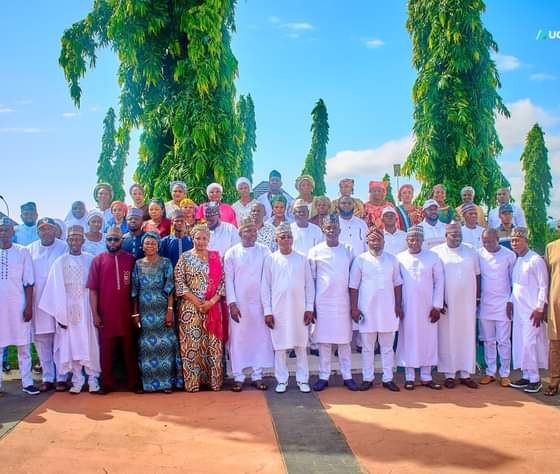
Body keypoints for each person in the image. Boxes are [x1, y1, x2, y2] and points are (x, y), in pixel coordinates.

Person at [39, 225, 100, 394]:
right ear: (67, 240)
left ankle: (93, 379)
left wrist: (96, 311)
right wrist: (60, 315)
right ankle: (77, 380)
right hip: (66, 308)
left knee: (90, 342)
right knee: (71, 344)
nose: (74, 241)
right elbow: (53, 289)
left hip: (87, 307)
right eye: (72, 238)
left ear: (83, 241)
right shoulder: (60, 262)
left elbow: (96, 287)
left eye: (78, 238)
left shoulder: (91, 260)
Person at [261, 223, 315, 394]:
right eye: (282, 237)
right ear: (277, 239)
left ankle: (302, 379)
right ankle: (282, 380)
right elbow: (265, 287)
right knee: (280, 347)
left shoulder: (301, 258)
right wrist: (268, 311)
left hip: (299, 308)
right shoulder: (270, 259)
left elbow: (309, 284)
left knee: (301, 346)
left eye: (289, 236)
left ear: (293, 239)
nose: (286, 240)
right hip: (279, 309)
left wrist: (309, 307)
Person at [308, 214, 358, 392]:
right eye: (328, 228)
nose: (331, 231)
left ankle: (347, 376)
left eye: (334, 228)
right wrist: (311, 305)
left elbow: (354, 278)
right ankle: (324, 376)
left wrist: (354, 305)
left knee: (344, 342)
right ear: (323, 229)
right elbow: (311, 280)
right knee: (324, 342)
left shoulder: (348, 249)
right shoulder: (315, 251)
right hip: (323, 302)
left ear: (339, 230)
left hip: (343, 302)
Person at [350, 227, 403, 392]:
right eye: (372, 240)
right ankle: (368, 378)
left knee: (387, 347)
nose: (375, 243)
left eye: (378, 240)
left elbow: (397, 284)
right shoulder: (360, 260)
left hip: (388, 310)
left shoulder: (392, 260)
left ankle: (388, 378)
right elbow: (353, 286)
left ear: (384, 242)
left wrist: (398, 305)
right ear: (367, 242)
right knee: (367, 348)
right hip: (367, 310)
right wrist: (354, 308)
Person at [174, 224, 227, 392]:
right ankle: (193, 383)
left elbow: (223, 282)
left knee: (213, 344)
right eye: (198, 238)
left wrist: (211, 302)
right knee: (192, 344)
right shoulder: (184, 258)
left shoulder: (216, 258)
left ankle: (214, 382)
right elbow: (179, 282)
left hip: (213, 307)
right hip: (190, 308)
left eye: (204, 238)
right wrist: (197, 302)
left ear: (209, 240)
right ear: (192, 238)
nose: (201, 241)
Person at [86, 226, 139, 394]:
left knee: (129, 349)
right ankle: (107, 383)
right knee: (106, 351)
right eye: (109, 239)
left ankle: (133, 383)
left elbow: (136, 289)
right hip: (106, 314)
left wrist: (135, 313)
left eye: (116, 239)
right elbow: (93, 290)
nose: (112, 242)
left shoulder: (131, 260)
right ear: (106, 240)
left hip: (126, 313)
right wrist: (95, 314)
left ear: (121, 240)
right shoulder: (98, 260)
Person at [224, 218, 273, 392]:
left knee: (259, 338)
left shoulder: (265, 251)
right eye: (247, 230)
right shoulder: (232, 253)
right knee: (238, 339)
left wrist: (268, 307)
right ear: (240, 233)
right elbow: (228, 280)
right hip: (239, 305)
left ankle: (257, 376)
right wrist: (232, 303)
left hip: (260, 303)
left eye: (253, 230)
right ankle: (238, 376)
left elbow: (268, 278)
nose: (251, 234)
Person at [131, 232, 182, 393]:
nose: (150, 246)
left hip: (163, 310)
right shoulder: (138, 264)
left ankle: (167, 383)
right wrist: (135, 314)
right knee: (147, 347)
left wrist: (170, 310)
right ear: (142, 246)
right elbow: (134, 290)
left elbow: (170, 287)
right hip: (145, 312)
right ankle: (149, 384)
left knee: (166, 345)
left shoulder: (166, 263)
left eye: (153, 243)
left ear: (158, 246)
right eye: (147, 243)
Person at [432, 223, 480, 389]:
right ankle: (449, 374)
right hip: (447, 303)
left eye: (459, 233)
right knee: (448, 337)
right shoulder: (437, 252)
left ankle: (466, 374)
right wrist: (439, 300)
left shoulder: (471, 250)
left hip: (468, 302)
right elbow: (434, 279)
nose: (457, 236)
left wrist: (477, 298)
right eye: (453, 234)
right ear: (446, 236)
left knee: (467, 335)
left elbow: (477, 275)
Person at [396, 225, 444, 390]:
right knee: (408, 340)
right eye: (411, 239)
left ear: (423, 240)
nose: (414, 242)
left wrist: (437, 306)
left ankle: (426, 376)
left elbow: (440, 281)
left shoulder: (433, 257)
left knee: (428, 340)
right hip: (407, 307)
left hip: (428, 308)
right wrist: (398, 305)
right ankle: (409, 377)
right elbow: (396, 283)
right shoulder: (399, 258)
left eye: (417, 239)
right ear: (407, 240)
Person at [28, 217, 69, 392]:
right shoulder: (30, 249)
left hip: (59, 300)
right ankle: (47, 377)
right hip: (38, 302)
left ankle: (61, 377)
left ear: (55, 230)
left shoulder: (64, 247)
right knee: (42, 340)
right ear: (38, 232)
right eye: (43, 229)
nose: (46, 232)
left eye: (49, 228)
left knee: (60, 339)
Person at [0, 217, 39, 395]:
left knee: (23, 346)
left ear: (12, 232)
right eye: (0, 230)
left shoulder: (22, 252)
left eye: (6, 230)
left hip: (18, 306)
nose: (3, 233)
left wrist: (28, 306)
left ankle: (27, 382)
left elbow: (29, 282)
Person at [509, 227, 549, 393]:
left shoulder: (535, 260)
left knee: (528, 344)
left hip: (532, 312)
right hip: (519, 311)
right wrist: (510, 301)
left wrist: (540, 307)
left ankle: (535, 379)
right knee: (520, 344)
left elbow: (543, 285)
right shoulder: (518, 260)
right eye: (512, 240)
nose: (514, 243)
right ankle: (526, 375)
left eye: (518, 240)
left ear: (526, 241)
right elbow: (516, 286)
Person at [477, 228, 516, 387]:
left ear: (497, 239)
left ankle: (505, 373)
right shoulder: (479, 254)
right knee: (488, 341)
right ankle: (490, 372)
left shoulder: (509, 255)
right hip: (485, 305)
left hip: (503, 304)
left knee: (503, 341)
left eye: (490, 241)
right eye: (484, 242)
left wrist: (511, 301)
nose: (487, 245)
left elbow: (514, 280)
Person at [544, 230, 560, 396]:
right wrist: (545, 304)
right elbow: (546, 277)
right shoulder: (551, 247)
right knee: (555, 344)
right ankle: (554, 381)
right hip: (555, 303)